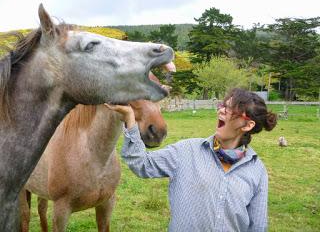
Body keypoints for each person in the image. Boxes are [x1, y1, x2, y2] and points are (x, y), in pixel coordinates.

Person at [106, 88, 277, 232]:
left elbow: (258, 226)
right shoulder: (186, 151)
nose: (222, 110)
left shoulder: (257, 170)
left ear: (247, 126)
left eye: (232, 109)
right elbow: (142, 164)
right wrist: (129, 118)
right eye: (223, 105)